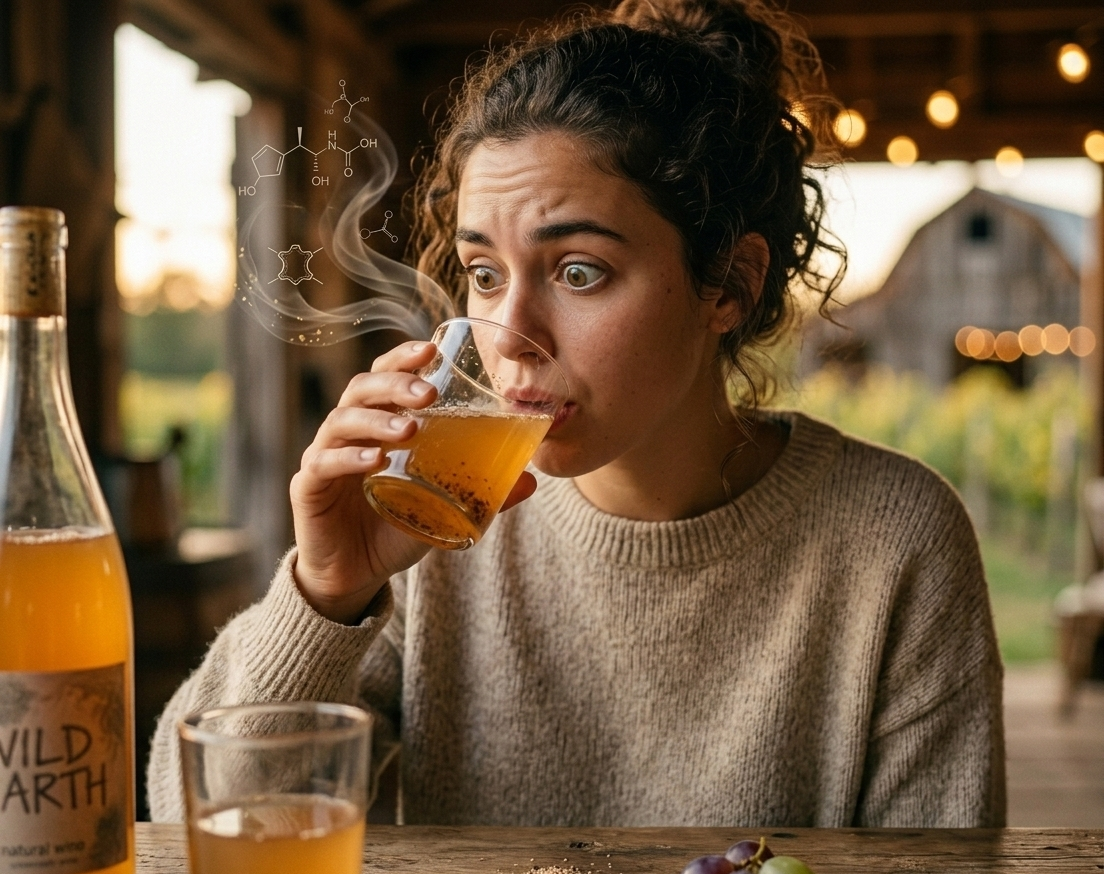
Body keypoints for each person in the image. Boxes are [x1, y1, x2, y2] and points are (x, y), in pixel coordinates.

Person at [148, 0, 1005, 827]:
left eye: (579, 271)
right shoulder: (431, 534)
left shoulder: (897, 541)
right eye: (485, 275)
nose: (511, 336)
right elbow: (193, 814)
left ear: (731, 285)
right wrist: (327, 593)